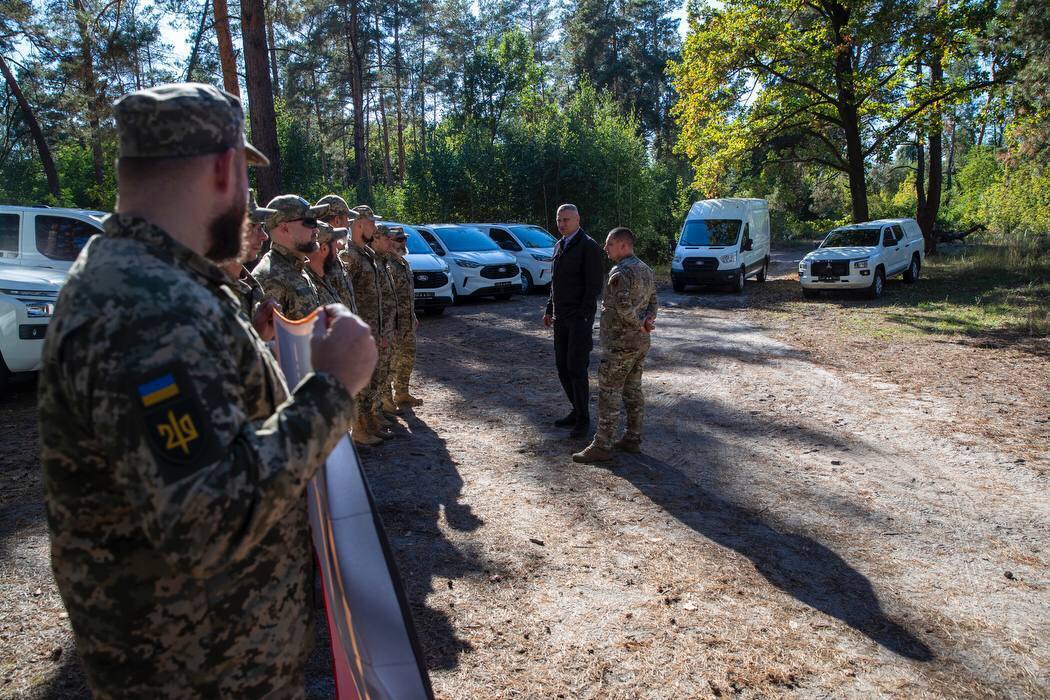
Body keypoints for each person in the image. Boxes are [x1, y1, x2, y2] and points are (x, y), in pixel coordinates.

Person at [37, 82, 377, 698]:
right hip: (195, 675)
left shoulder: (152, 279)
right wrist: (331, 388)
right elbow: (207, 521)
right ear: (225, 169)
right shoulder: (143, 305)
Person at [574, 227, 657, 463]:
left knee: (610, 394)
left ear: (623, 245)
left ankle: (602, 445)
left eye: (609, 244)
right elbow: (654, 302)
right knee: (633, 390)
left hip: (621, 343)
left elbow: (622, 306)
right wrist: (648, 321)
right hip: (640, 343)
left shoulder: (620, 272)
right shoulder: (647, 270)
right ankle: (632, 438)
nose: (605, 248)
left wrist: (640, 323)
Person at [543, 203, 604, 438]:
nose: (562, 224)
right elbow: (555, 282)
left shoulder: (588, 246)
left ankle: (583, 420)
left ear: (578, 220)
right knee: (562, 367)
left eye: (566, 219)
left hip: (579, 319)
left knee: (576, 368)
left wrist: (583, 315)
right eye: (559, 220)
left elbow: (594, 286)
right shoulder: (559, 245)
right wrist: (549, 308)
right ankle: (576, 410)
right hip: (560, 318)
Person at [341, 204, 390, 445]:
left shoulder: (366, 254)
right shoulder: (350, 255)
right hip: (361, 330)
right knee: (361, 381)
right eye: (371, 223)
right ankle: (359, 429)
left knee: (372, 378)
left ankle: (369, 421)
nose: (374, 227)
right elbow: (348, 294)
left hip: (375, 327)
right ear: (359, 224)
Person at [252, 194, 328, 320]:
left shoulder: (297, 267)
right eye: (310, 222)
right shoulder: (269, 278)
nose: (316, 230)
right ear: (284, 228)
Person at [218, 189, 278, 339]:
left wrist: (261, 337)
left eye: (262, 228)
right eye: (254, 227)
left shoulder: (251, 287)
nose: (264, 236)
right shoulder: (208, 290)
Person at [370, 223, 403, 420]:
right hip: (376, 326)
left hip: (388, 323)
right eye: (387, 238)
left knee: (388, 366)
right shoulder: (373, 261)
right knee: (378, 369)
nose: (391, 242)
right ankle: (375, 411)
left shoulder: (383, 262)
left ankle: (384, 404)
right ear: (376, 239)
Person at [388, 229, 423, 407]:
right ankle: (386, 401)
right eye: (399, 240)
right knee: (391, 361)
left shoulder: (403, 262)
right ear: (389, 241)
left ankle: (402, 393)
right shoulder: (387, 264)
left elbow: (406, 295)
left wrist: (413, 315)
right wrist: (390, 324)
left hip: (407, 320)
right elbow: (387, 297)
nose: (403, 243)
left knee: (407, 357)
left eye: (404, 240)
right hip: (394, 322)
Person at [315, 194, 358, 314]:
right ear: (337, 220)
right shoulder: (319, 254)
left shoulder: (334, 253)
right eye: (347, 219)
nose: (348, 224)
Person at [305, 221, 345, 307]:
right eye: (335, 244)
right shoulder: (306, 284)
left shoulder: (323, 278)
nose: (337, 249)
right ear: (324, 249)